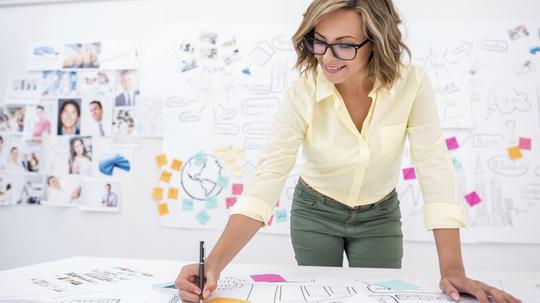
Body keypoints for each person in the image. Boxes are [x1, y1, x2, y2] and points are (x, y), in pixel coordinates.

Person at [176, 1, 521, 303]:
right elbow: (267, 179)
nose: (327, 57)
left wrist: (453, 269)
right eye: (319, 42)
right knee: (319, 294)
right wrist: (214, 265)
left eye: (343, 46)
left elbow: (434, 166)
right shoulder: (303, 92)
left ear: (377, 42)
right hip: (314, 211)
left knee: (380, 294)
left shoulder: (411, 83)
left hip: (380, 215)